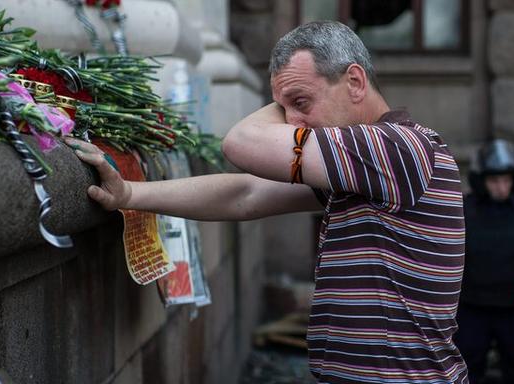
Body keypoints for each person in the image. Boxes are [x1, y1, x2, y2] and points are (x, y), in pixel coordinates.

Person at [69, 21, 468, 383]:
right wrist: (130, 194)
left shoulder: (396, 146)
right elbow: (246, 193)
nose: (291, 122)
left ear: (355, 82)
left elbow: (240, 143)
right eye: (284, 108)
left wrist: (281, 97)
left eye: (301, 102)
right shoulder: (357, 168)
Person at [452, 139, 514, 384]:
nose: (501, 187)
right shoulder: (464, 209)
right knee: (467, 370)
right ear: (481, 180)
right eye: (494, 180)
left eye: (506, 180)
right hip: (472, 307)